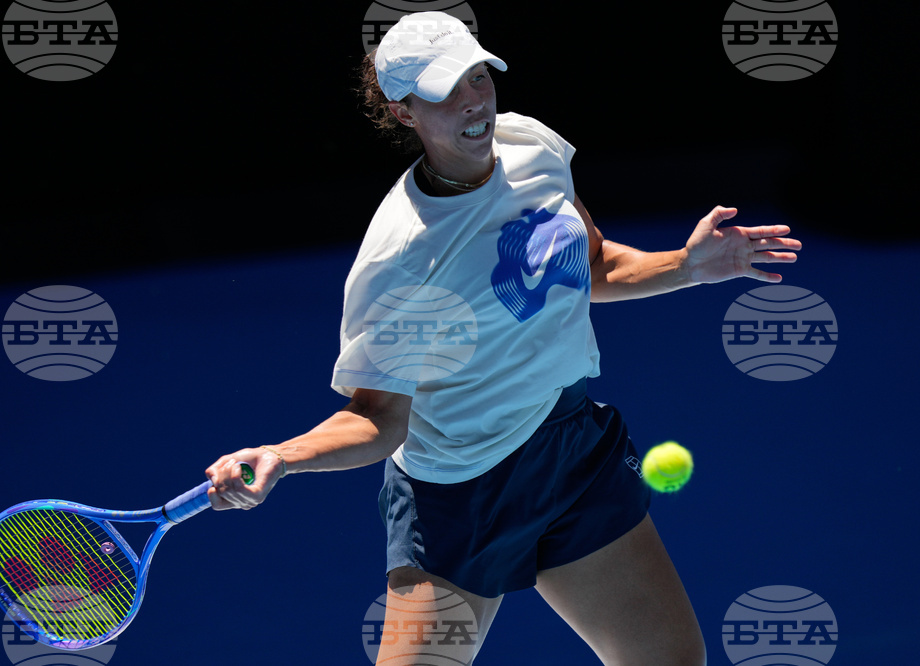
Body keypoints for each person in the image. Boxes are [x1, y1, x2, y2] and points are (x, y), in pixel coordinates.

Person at [204, 11, 800, 664]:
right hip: (458, 494)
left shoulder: (533, 148)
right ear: (404, 113)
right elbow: (378, 420)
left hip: (568, 450)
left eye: (477, 75)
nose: (473, 100)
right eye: (445, 90)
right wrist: (283, 455)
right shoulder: (401, 260)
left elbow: (589, 266)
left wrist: (688, 268)